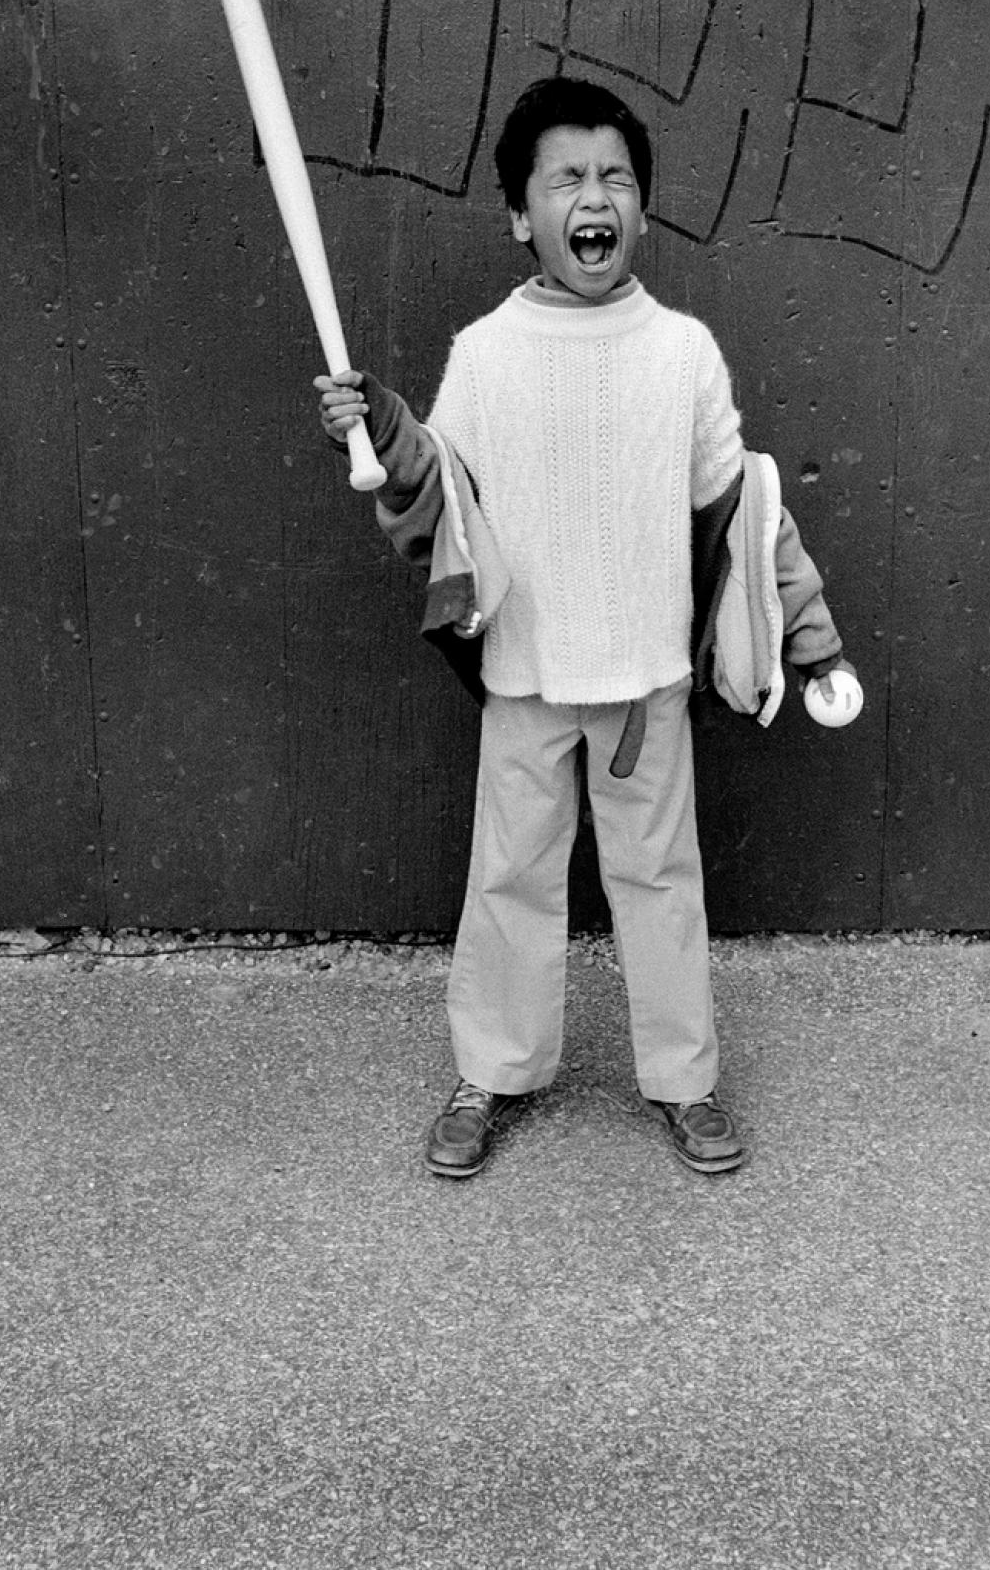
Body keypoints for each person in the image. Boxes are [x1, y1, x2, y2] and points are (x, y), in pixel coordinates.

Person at [315, 75, 852, 1180]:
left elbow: (743, 516)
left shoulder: (682, 354)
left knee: (660, 878)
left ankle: (685, 1082)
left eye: (612, 175)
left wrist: (811, 637)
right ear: (521, 216)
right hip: (524, 677)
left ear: (640, 211)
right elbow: (442, 500)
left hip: (646, 683)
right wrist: (375, 428)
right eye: (564, 177)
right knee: (509, 873)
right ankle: (493, 1071)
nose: (590, 193)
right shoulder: (486, 354)